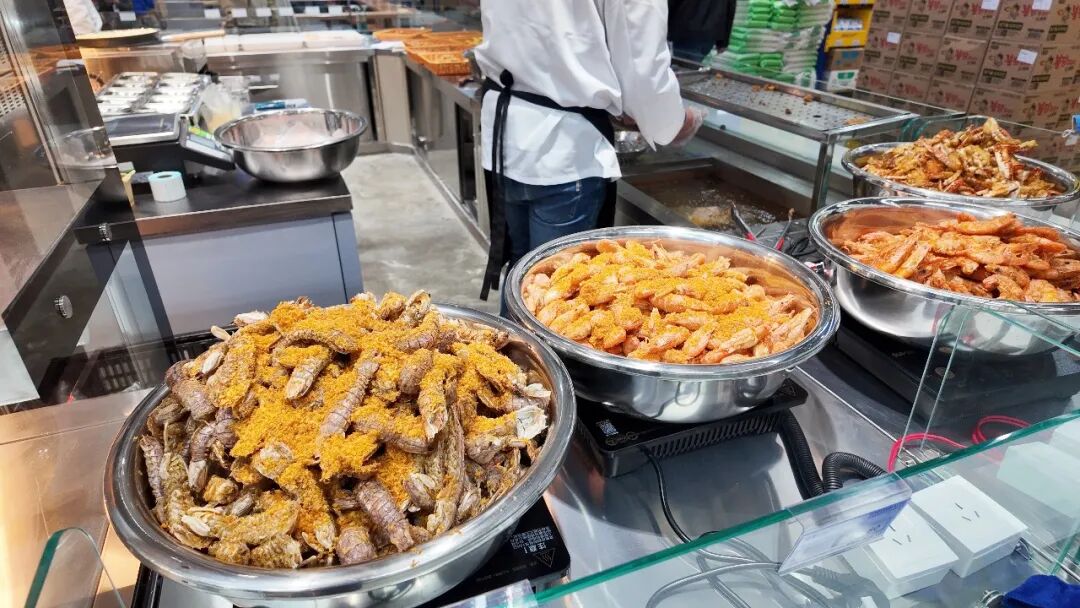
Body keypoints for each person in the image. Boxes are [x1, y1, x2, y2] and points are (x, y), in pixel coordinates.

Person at [473, 0, 704, 305]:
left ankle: (507, 337)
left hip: (507, 136)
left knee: (520, 276)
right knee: (557, 291)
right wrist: (676, 123)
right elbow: (643, 69)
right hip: (564, 148)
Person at [668, 0, 736, 62]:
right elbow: (730, 9)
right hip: (709, 33)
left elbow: (670, 3)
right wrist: (723, 42)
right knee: (690, 66)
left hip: (684, 30)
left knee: (681, 65)